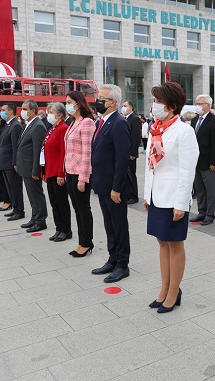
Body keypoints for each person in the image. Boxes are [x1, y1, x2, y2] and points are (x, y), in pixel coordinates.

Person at [144, 82, 199, 313]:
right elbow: (150, 166)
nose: (154, 105)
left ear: (172, 106)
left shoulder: (184, 131)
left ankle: (174, 291)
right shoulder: (156, 128)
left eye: (158, 101)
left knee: (174, 244)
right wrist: (147, 194)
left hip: (173, 198)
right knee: (161, 242)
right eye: (154, 100)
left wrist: (181, 203)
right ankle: (164, 288)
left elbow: (188, 170)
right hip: (157, 196)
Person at [90, 84, 133, 283]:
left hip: (113, 187)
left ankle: (123, 264)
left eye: (102, 98)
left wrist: (117, 187)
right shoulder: (102, 121)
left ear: (113, 103)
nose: (98, 101)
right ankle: (112, 258)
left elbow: (122, 159)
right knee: (109, 225)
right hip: (102, 184)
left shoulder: (118, 123)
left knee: (119, 225)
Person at [64, 90, 96, 256]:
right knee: (76, 208)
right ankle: (81, 240)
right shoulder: (73, 122)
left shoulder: (87, 123)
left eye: (69, 102)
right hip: (70, 171)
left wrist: (83, 178)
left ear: (78, 103)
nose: (67, 105)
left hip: (80, 173)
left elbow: (87, 153)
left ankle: (87, 242)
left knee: (83, 208)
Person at [16, 100, 48, 233]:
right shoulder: (29, 124)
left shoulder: (38, 126)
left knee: (36, 194)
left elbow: (37, 150)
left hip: (31, 168)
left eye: (25, 109)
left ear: (33, 111)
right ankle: (34, 217)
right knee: (30, 194)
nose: (22, 111)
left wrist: (36, 170)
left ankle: (41, 220)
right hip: (25, 167)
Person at [190, 94, 215, 225]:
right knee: (199, 189)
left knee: (209, 190)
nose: (198, 106)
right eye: (197, 103)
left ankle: (210, 214)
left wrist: (214, 162)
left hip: (208, 163)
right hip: (196, 162)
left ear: (208, 106)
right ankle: (201, 212)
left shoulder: (214, 121)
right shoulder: (194, 120)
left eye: (200, 104)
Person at [42, 103, 72, 242]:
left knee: (61, 203)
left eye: (51, 112)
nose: (49, 114)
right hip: (49, 171)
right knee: (54, 203)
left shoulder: (63, 128)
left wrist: (61, 173)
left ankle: (66, 230)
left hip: (57, 172)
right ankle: (58, 228)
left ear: (59, 115)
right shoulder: (52, 128)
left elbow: (63, 153)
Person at [0, 103, 25, 221]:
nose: (1, 112)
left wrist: (15, 163)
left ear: (10, 112)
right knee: (10, 187)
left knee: (15, 188)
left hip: (11, 163)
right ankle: (15, 208)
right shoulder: (8, 125)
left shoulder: (16, 126)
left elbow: (15, 147)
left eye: (3, 110)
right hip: (5, 162)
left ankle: (19, 210)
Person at [122, 100, 141, 204]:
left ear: (131, 108)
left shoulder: (134, 119)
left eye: (125, 106)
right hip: (124, 152)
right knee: (126, 174)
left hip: (130, 153)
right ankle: (128, 194)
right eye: (122, 106)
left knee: (131, 174)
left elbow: (136, 137)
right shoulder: (124, 118)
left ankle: (134, 195)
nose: (123, 107)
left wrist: (133, 153)